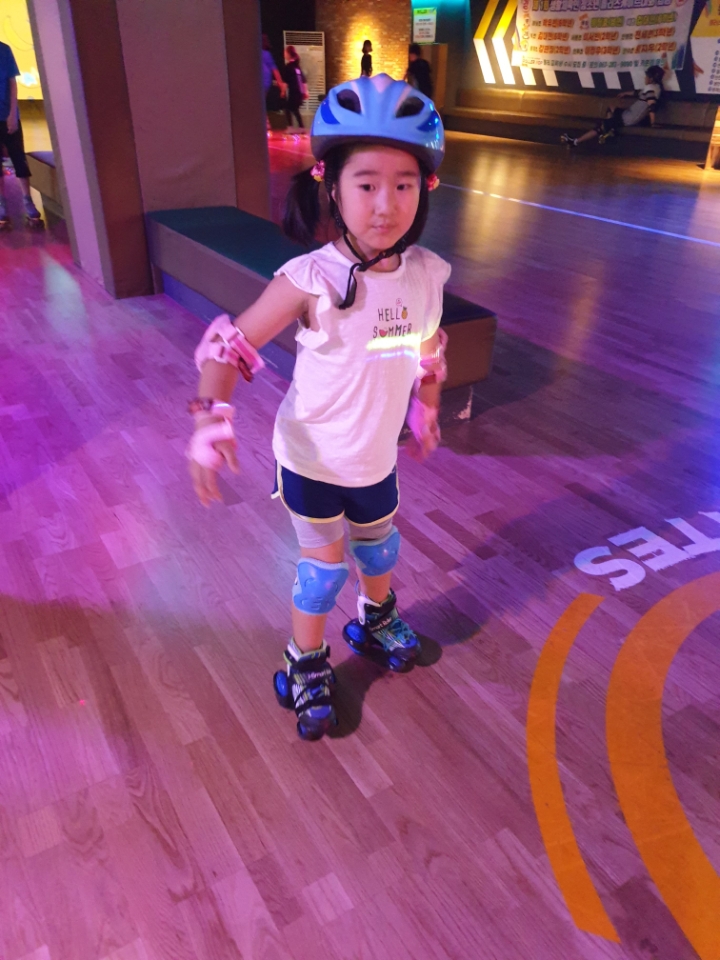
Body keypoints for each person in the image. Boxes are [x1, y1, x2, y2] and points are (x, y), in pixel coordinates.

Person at [187, 74, 449, 741]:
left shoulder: (425, 275)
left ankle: (377, 618)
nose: (385, 205)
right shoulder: (311, 278)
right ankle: (304, 661)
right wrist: (209, 423)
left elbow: (427, 350)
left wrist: (426, 408)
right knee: (322, 573)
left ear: (426, 189)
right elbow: (228, 346)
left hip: (374, 459)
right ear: (331, 184)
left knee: (380, 550)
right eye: (366, 184)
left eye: (404, 185)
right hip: (310, 460)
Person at [561, 65, 665, 147]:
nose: (645, 78)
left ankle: (575, 141)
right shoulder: (655, 87)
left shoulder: (651, 89)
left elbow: (652, 106)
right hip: (628, 114)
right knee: (611, 107)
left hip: (628, 118)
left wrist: (653, 123)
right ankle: (611, 129)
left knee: (600, 126)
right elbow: (638, 93)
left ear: (651, 78)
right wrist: (625, 93)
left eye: (647, 76)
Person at [0, 40, 42, 229]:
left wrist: (12, 114)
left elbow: (12, 83)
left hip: (7, 116)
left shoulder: (4, 50)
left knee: (19, 159)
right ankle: (2, 204)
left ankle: (28, 201)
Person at [282, 46, 307, 130]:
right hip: (299, 92)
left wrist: (283, 91)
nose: (284, 55)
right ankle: (301, 127)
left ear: (289, 54)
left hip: (294, 91)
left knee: (288, 108)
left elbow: (285, 82)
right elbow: (303, 80)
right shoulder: (297, 67)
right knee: (294, 109)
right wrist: (305, 92)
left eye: (285, 53)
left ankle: (291, 127)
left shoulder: (288, 67)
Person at [261, 34, 287, 110]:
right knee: (261, 103)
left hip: (261, 82)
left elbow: (274, 70)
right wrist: (280, 84)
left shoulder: (259, 54)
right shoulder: (267, 54)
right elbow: (275, 70)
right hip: (266, 82)